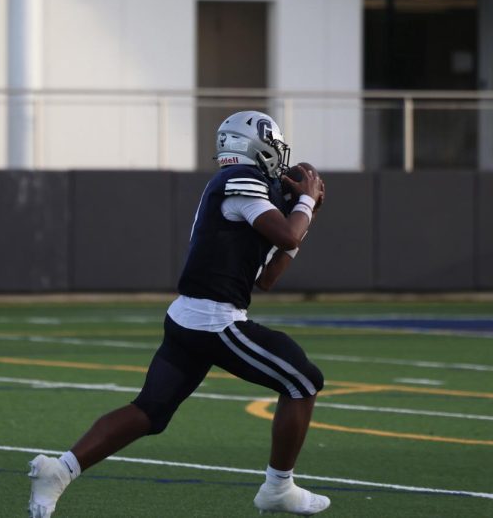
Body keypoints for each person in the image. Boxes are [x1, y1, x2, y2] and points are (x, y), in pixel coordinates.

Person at [27, 111, 330, 518]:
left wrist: (305, 216)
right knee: (303, 380)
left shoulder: (239, 188)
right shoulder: (240, 181)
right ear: (256, 146)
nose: (280, 155)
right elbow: (288, 233)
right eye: (274, 146)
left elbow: (269, 276)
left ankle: (58, 471)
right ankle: (278, 487)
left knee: (149, 412)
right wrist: (307, 202)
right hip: (214, 320)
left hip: (190, 316)